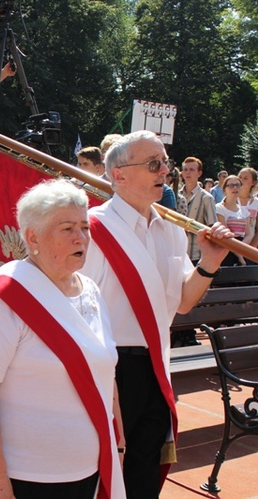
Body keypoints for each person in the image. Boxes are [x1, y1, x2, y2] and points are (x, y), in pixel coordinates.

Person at [81, 130, 231, 497]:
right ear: (119, 175)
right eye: (153, 164)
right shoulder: (90, 230)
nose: (165, 170)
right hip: (108, 371)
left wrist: (209, 264)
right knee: (98, 472)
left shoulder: (172, 231)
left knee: (144, 470)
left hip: (156, 365)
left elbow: (182, 302)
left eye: (165, 162)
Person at [0, 179, 124, 499]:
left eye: (84, 227)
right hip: (24, 478)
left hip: (86, 470)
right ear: (32, 237)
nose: (81, 238)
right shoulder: (4, 298)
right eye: (67, 228)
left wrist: (118, 442)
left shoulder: (91, 290)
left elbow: (106, 373)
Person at [179, 157, 217, 262]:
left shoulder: (207, 198)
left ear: (199, 173)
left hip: (196, 255)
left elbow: (212, 227)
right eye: (185, 170)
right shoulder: (175, 195)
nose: (188, 173)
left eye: (192, 170)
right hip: (177, 253)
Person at [215, 175, 250, 266]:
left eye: (238, 185)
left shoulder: (245, 211)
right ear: (224, 189)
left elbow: (249, 234)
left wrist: (241, 249)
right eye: (231, 185)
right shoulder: (219, 208)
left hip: (241, 248)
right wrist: (240, 256)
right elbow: (224, 234)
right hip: (226, 249)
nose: (235, 188)